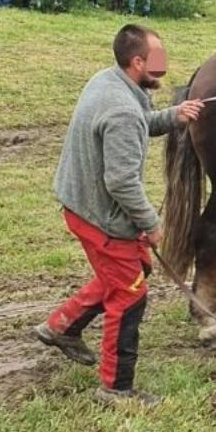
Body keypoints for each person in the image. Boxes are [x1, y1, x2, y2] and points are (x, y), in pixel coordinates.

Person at [35, 25, 204, 405]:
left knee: (126, 274)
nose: (162, 68)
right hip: (100, 217)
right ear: (137, 61)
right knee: (130, 296)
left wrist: (175, 115)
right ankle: (115, 388)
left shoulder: (110, 82)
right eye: (156, 61)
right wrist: (152, 224)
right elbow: (122, 183)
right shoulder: (124, 110)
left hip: (79, 202)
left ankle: (60, 326)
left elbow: (139, 123)